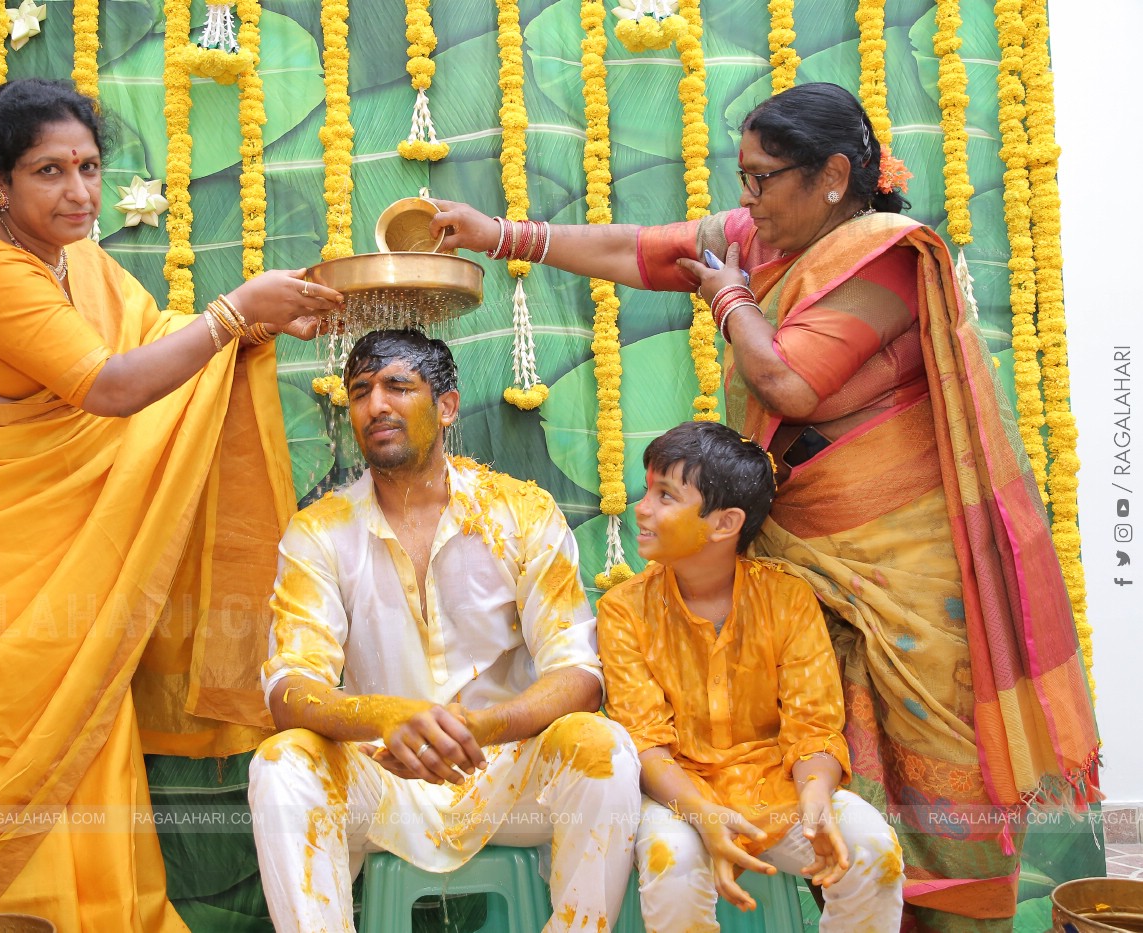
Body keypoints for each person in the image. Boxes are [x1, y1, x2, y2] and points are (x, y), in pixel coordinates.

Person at [431, 81, 1099, 931]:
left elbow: (789, 382)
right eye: (740, 179)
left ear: (828, 176)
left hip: (907, 572)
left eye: (760, 179)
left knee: (939, 772)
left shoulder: (881, 255)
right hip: (802, 552)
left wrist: (728, 297)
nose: (744, 199)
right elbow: (638, 248)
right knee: (838, 764)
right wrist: (502, 235)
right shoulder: (765, 238)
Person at [0, 78, 342, 931]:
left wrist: (253, 329)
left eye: (88, 166)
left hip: (53, 540)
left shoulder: (73, 258)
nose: (79, 192)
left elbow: (151, 345)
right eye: (50, 170)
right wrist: (232, 316)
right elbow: (111, 387)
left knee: (82, 722)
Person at [248, 329, 641, 932]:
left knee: (605, 749)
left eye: (397, 386)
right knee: (280, 765)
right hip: (381, 777)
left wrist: (482, 728)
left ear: (447, 406)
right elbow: (289, 689)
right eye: (359, 392)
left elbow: (578, 674)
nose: (376, 404)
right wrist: (386, 716)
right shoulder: (318, 532)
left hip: (509, 773)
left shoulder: (522, 512)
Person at [598, 421, 903, 931]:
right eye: (647, 489)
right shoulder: (624, 610)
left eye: (665, 495)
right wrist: (703, 814)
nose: (642, 508)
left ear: (725, 524)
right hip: (677, 797)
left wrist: (814, 800)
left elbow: (815, 729)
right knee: (671, 865)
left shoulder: (787, 599)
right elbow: (646, 744)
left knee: (872, 850)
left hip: (778, 788)